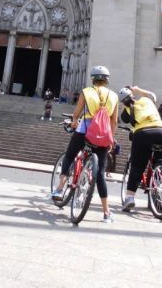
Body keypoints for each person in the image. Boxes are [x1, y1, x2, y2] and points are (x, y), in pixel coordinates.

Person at [51, 65, 118, 223]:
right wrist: (110, 139)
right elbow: (114, 121)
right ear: (107, 80)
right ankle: (106, 213)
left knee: (70, 155)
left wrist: (74, 121)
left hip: (85, 131)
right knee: (100, 173)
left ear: (93, 78)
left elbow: (77, 113)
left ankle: (60, 189)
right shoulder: (114, 96)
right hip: (102, 135)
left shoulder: (86, 92)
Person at [119, 85, 162, 212]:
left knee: (137, 166)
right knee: (159, 165)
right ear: (133, 95)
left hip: (143, 134)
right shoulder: (145, 100)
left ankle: (130, 198)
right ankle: (160, 189)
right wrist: (138, 90)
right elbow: (152, 95)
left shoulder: (127, 110)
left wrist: (124, 106)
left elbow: (124, 119)